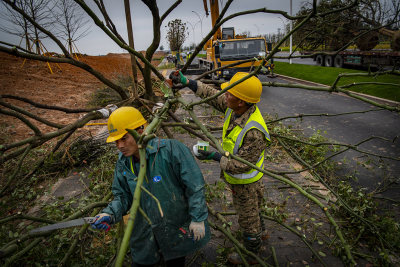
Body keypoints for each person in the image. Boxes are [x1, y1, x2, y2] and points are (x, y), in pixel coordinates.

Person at [171, 71, 271, 265]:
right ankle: (262, 231)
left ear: (241, 101)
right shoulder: (235, 107)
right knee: (255, 209)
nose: (224, 94)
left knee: (247, 218)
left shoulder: (254, 131)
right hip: (246, 179)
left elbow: (239, 166)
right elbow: (210, 94)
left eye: (229, 93)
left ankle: (251, 254)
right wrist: (186, 81)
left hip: (246, 182)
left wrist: (213, 155)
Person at [91, 106, 210, 267]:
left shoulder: (171, 150)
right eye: (116, 141)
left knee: (175, 260)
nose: (119, 146)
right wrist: (110, 214)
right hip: (144, 232)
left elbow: (194, 185)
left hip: (174, 227)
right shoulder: (123, 162)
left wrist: (198, 218)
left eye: (124, 138)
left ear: (140, 131)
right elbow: (123, 196)